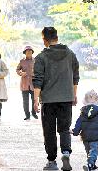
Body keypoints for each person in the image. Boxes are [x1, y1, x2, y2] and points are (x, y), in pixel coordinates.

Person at [33, 27, 80, 171]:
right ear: (57, 38)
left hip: (48, 100)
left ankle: (52, 161)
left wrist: (35, 100)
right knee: (65, 129)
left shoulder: (41, 57)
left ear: (44, 40)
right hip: (66, 98)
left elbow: (38, 80)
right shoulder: (70, 54)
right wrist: (74, 94)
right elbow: (75, 76)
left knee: (49, 131)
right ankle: (66, 153)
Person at [72, 90, 98, 171]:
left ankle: (91, 163)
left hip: (85, 136)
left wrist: (75, 132)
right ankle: (90, 163)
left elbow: (79, 123)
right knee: (94, 150)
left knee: (89, 150)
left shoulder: (83, 112)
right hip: (96, 135)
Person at [17, 45, 37, 121]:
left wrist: (34, 74)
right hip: (24, 84)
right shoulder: (22, 61)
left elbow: (39, 71)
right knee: (25, 101)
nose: (29, 53)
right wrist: (21, 73)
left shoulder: (36, 61)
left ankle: (34, 113)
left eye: (30, 52)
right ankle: (27, 115)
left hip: (33, 84)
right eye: (27, 52)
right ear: (25, 53)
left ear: (32, 52)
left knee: (34, 99)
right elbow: (18, 70)